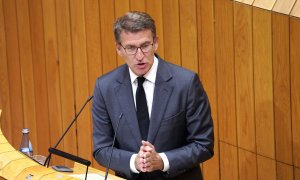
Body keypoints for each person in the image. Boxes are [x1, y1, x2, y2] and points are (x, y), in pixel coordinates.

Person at [92, 11, 214, 180]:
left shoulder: (185, 83)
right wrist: (134, 162)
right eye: (131, 48)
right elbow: (101, 149)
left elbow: (204, 144)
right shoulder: (105, 87)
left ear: (155, 43)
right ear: (119, 49)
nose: (140, 56)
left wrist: (162, 161)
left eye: (145, 45)